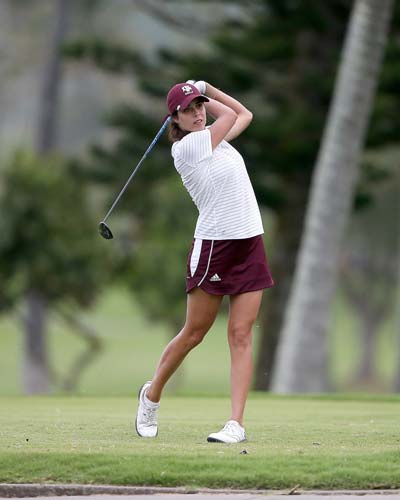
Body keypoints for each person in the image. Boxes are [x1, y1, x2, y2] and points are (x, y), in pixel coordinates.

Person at [135, 80, 274, 443]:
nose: (198, 112)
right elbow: (229, 114)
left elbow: (245, 114)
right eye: (190, 109)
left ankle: (236, 424)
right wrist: (208, 96)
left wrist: (205, 87)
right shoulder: (188, 148)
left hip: (249, 243)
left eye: (199, 106)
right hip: (215, 246)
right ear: (175, 120)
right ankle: (151, 397)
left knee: (241, 334)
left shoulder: (217, 141)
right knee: (194, 332)